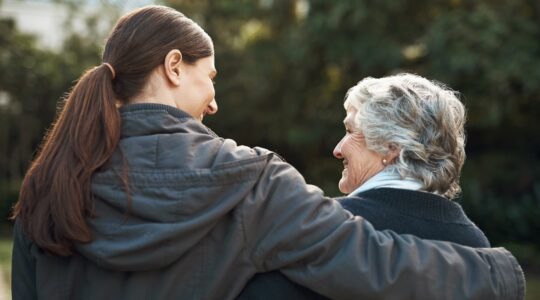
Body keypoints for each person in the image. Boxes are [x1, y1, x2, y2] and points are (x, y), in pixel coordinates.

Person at [11, 5, 524, 300]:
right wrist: (496, 273)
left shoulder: (49, 187)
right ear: (173, 67)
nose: (214, 101)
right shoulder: (252, 183)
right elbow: (378, 262)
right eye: (209, 78)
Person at [238, 74, 491, 299]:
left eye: (350, 131)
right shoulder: (476, 244)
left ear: (392, 146)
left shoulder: (327, 228)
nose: (337, 149)